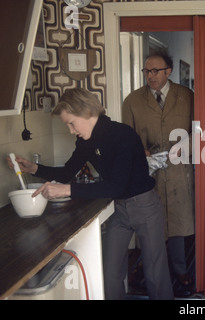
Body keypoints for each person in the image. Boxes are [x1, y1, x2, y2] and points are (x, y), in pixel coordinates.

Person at [8, 88, 173, 300]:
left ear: (87, 113)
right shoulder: (86, 141)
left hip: (144, 206)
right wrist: (34, 169)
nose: (70, 130)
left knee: (155, 273)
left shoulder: (122, 134)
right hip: (119, 208)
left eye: (71, 123)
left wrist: (66, 190)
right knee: (110, 273)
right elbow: (68, 172)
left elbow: (116, 186)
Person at [121, 50, 195, 294]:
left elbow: (199, 131)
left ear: (168, 71)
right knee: (150, 224)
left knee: (177, 222)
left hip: (178, 170)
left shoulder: (187, 96)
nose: (150, 76)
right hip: (147, 172)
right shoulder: (132, 101)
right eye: (146, 71)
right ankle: (151, 269)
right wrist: (141, 152)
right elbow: (126, 137)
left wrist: (185, 146)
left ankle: (181, 268)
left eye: (155, 71)